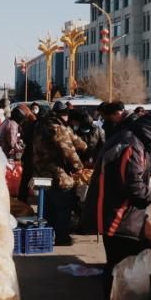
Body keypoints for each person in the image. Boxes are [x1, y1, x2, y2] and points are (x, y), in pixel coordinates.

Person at [83, 112, 151, 300]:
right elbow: (133, 188)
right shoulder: (131, 146)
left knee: (118, 265)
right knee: (119, 267)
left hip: (119, 213)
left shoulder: (131, 140)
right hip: (118, 217)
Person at [32, 102, 86, 246]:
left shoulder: (41, 125)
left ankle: (46, 237)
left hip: (42, 172)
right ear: (64, 115)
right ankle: (62, 237)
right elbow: (68, 150)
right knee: (63, 206)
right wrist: (78, 167)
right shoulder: (57, 128)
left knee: (47, 207)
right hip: (57, 173)